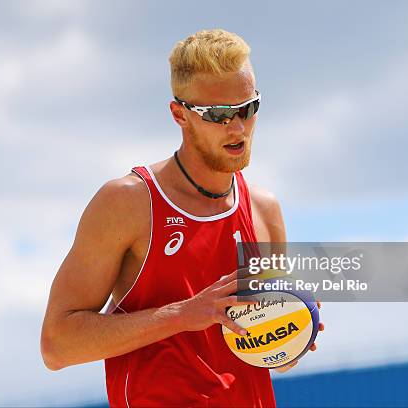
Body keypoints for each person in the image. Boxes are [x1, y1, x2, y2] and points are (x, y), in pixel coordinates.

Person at [40, 29, 324, 407]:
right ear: (180, 115)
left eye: (248, 108)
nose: (238, 127)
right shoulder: (128, 202)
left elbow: (259, 353)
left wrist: (289, 337)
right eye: (220, 115)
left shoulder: (263, 209)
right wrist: (182, 314)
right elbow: (57, 346)